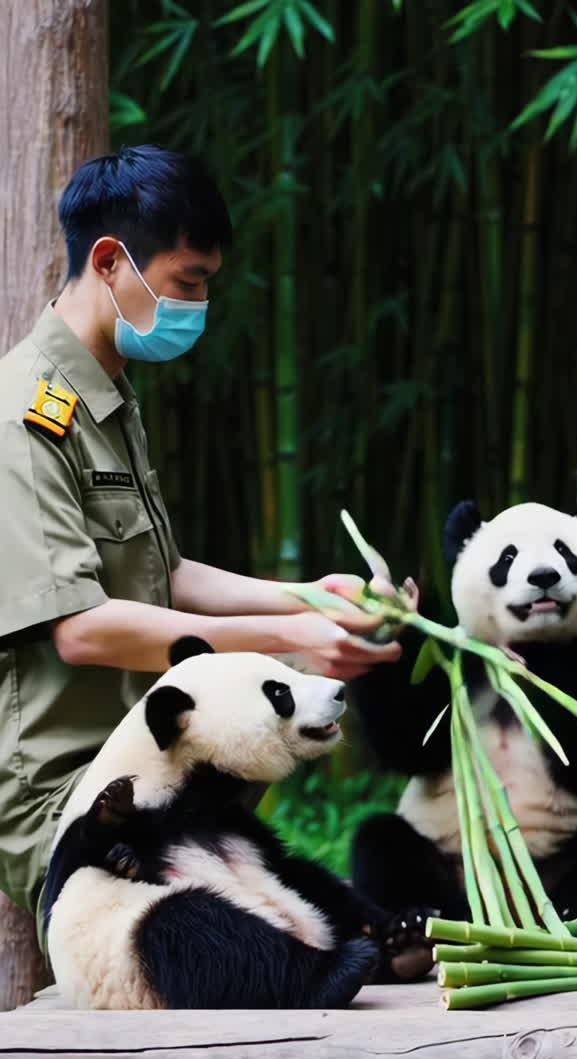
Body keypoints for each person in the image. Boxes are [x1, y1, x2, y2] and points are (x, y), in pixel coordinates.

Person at [0, 144, 400, 920]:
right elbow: (82, 629)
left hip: (158, 762)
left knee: (317, 921)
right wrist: (290, 638)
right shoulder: (27, 414)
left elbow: (163, 573)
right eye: (189, 281)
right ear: (112, 261)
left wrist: (305, 596)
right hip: (81, 803)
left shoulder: (108, 393)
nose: (198, 306)